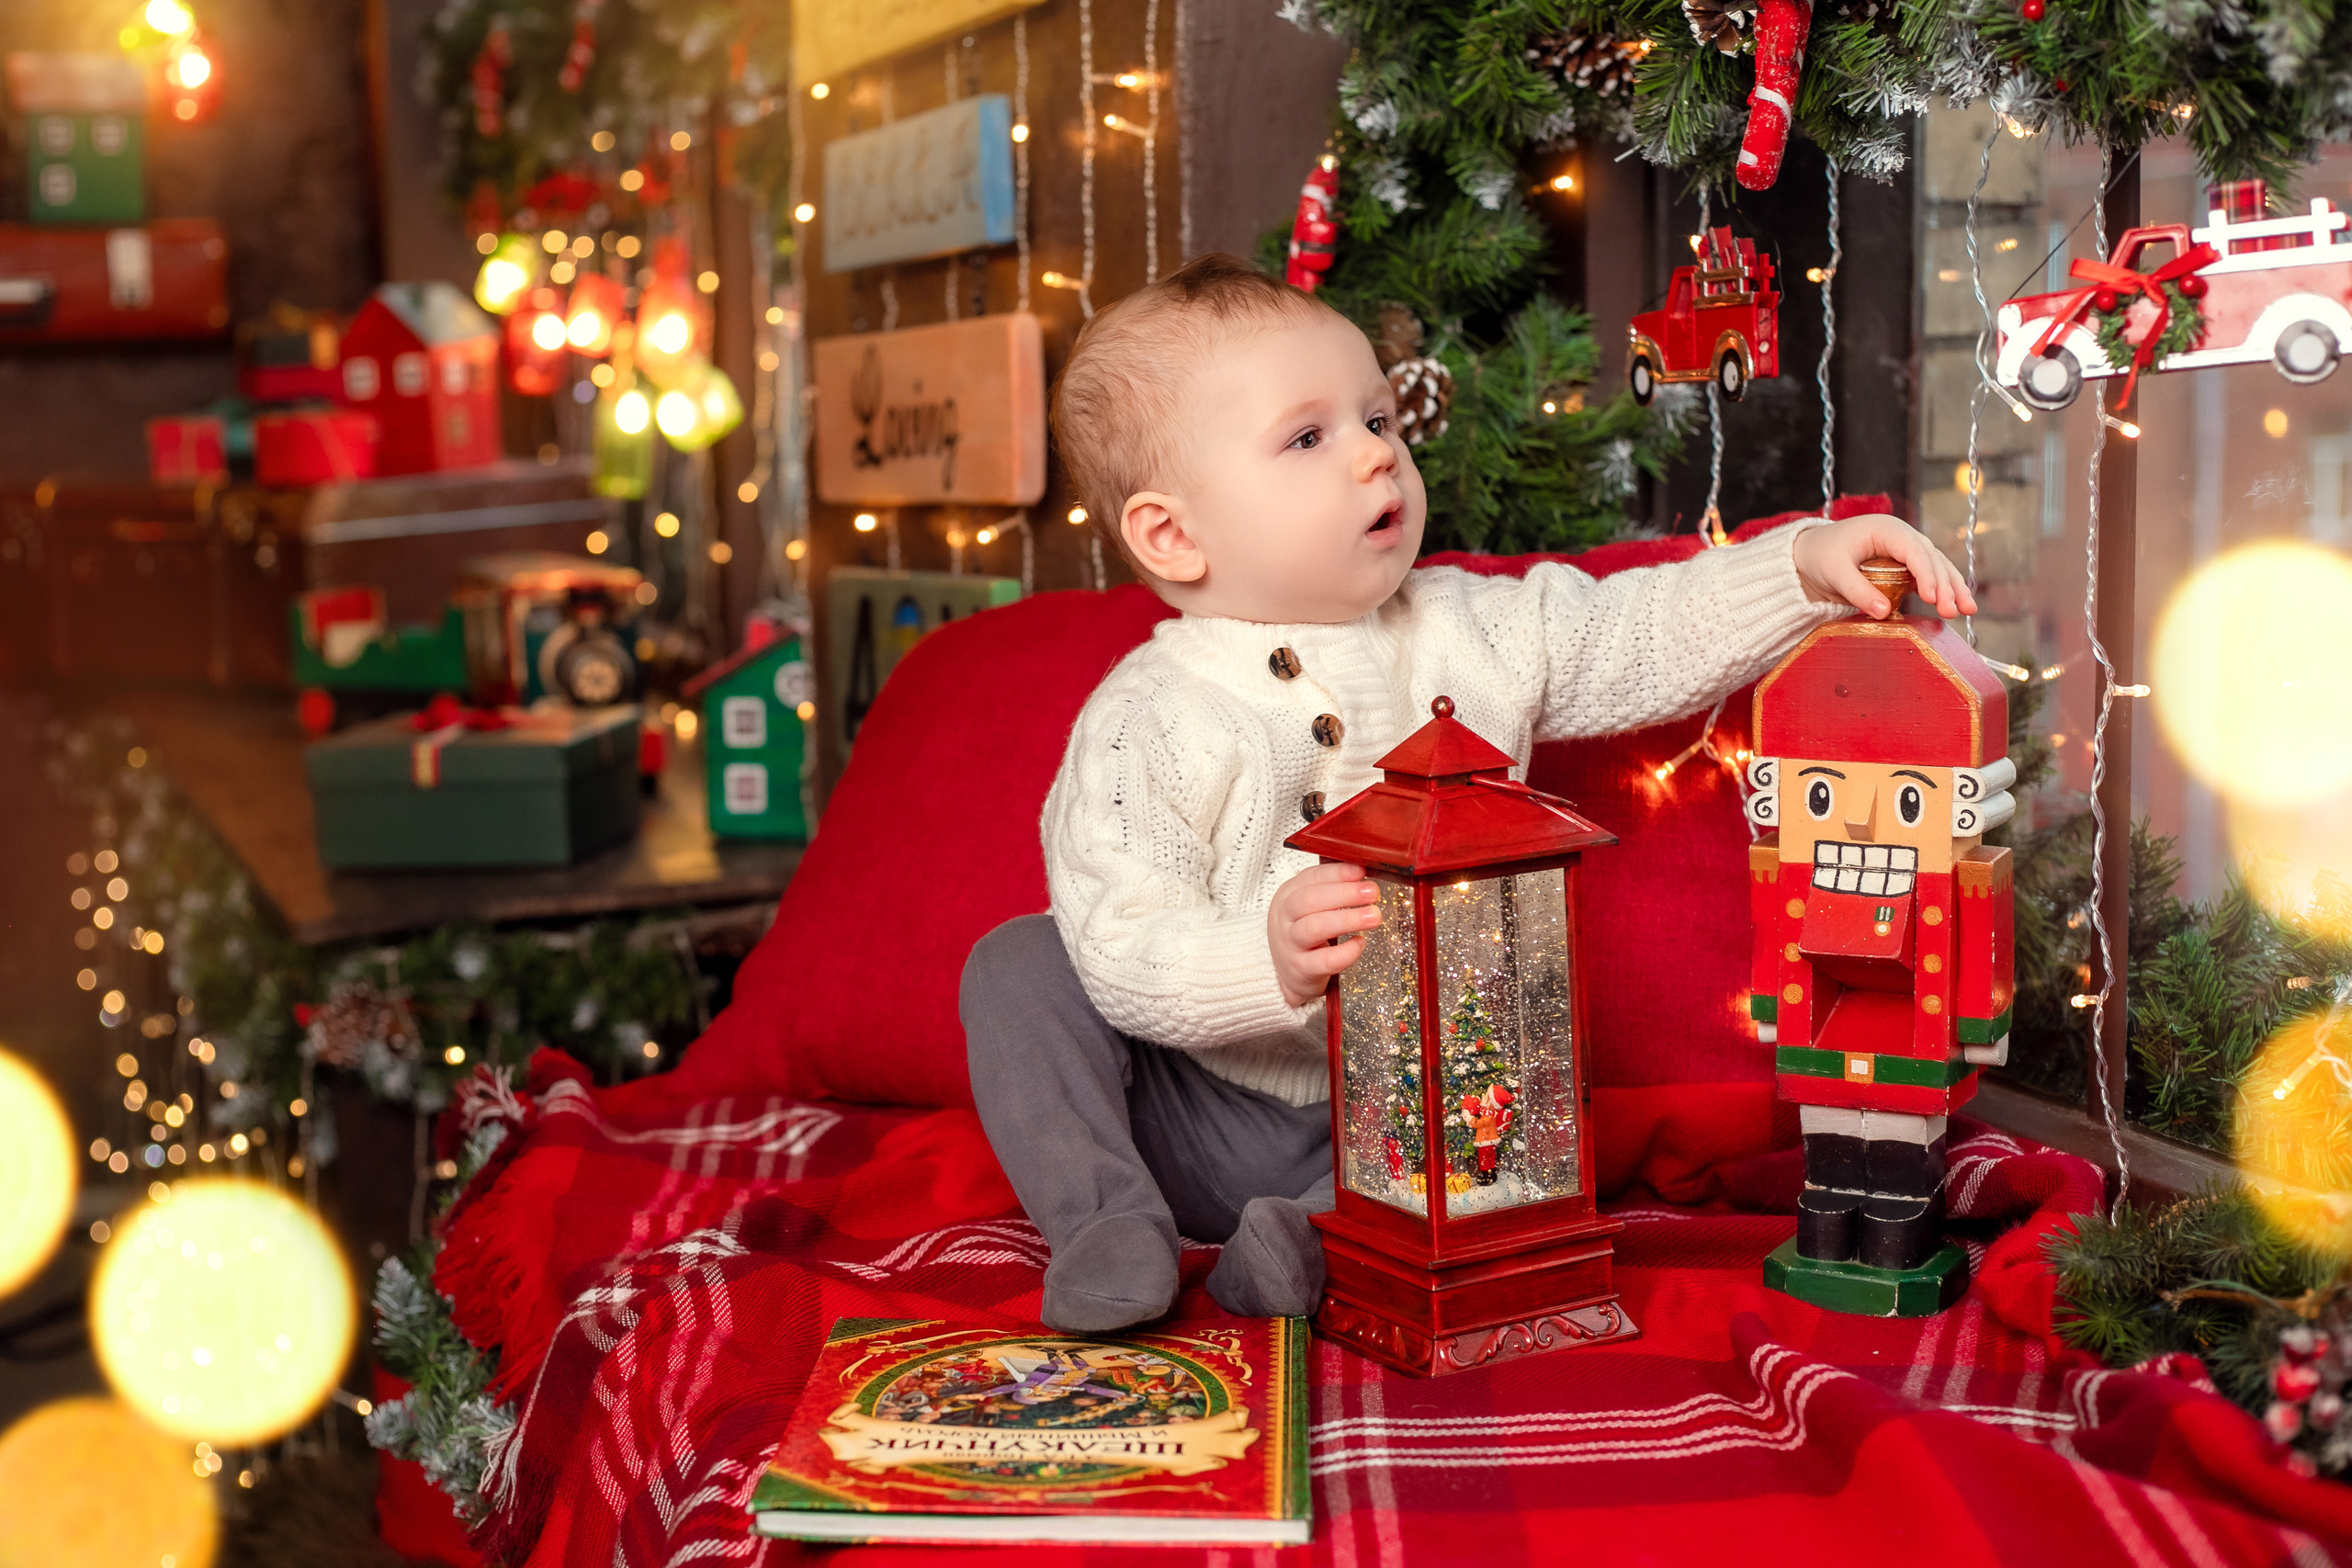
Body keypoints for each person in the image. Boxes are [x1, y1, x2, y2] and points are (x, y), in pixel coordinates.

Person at [959, 253, 1975, 1333]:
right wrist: (1257, 957)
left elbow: (1637, 629)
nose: (1373, 459)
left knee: (1528, 1096)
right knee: (1021, 965)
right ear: (1173, 534)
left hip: (1409, 1115)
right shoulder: (1149, 717)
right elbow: (1122, 941)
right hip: (1191, 1102)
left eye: (1378, 422)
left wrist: (1801, 563)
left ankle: (1304, 1247)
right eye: (1309, 439)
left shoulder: (1470, 626)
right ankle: (1108, 1224)